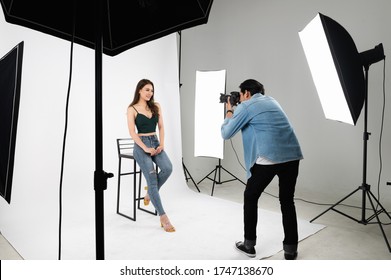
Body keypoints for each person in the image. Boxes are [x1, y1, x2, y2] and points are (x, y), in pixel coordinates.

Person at [221, 79, 303, 259]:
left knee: (250, 197)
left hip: (270, 157)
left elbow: (226, 134)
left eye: (241, 95)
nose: (240, 99)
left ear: (247, 94)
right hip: (293, 155)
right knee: (287, 201)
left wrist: (229, 110)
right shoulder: (273, 101)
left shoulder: (246, 106)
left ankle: (249, 245)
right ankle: (290, 250)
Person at [127, 79, 175, 232]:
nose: (150, 93)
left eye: (152, 90)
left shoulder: (156, 106)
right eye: (147, 90)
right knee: (152, 178)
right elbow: (132, 133)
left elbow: (161, 127)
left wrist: (161, 144)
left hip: (155, 142)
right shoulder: (132, 109)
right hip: (141, 146)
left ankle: (149, 193)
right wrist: (145, 148)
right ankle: (163, 217)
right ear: (139, 90)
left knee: (168, 168)